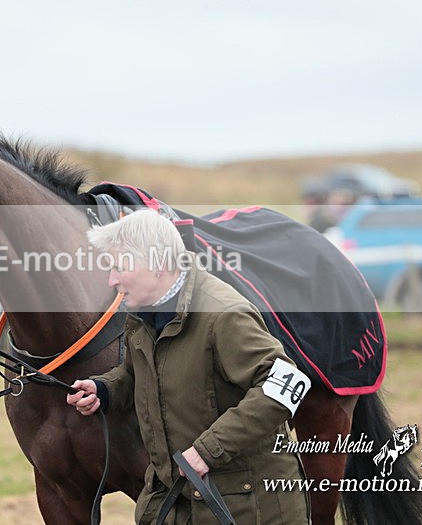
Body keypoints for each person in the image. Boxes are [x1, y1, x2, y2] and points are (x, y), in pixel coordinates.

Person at [66, 209, 311, 524]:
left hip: (249, 508)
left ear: (158, 265)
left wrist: (209, 450)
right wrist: (104, 390)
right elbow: (138, 374)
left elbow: (287, 386)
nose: (112, 280)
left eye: (120, 268)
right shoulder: (141, 314)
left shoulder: (224, 314)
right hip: (175, 501)